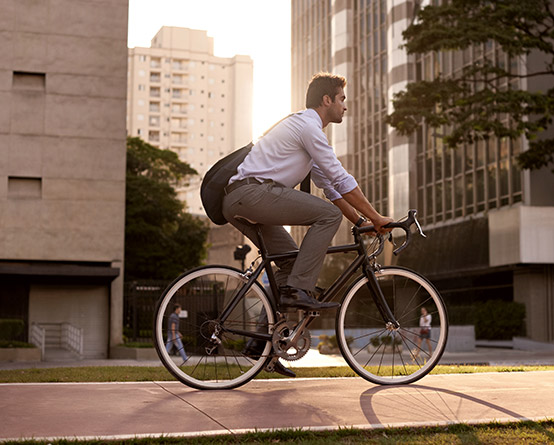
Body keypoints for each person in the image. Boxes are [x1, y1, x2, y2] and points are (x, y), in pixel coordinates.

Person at [222, 72, 392, 377]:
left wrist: (364, 223)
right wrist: (378, 217)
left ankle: (263, 350)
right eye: (342, 99)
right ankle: (299, 291)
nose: (345, 106)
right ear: (326, 100)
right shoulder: (307, 126)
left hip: (243, 199)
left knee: (289, 265)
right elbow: (341, 177)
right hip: (252, 193)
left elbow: (332, 187)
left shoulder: (305, 132)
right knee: (327, 216)